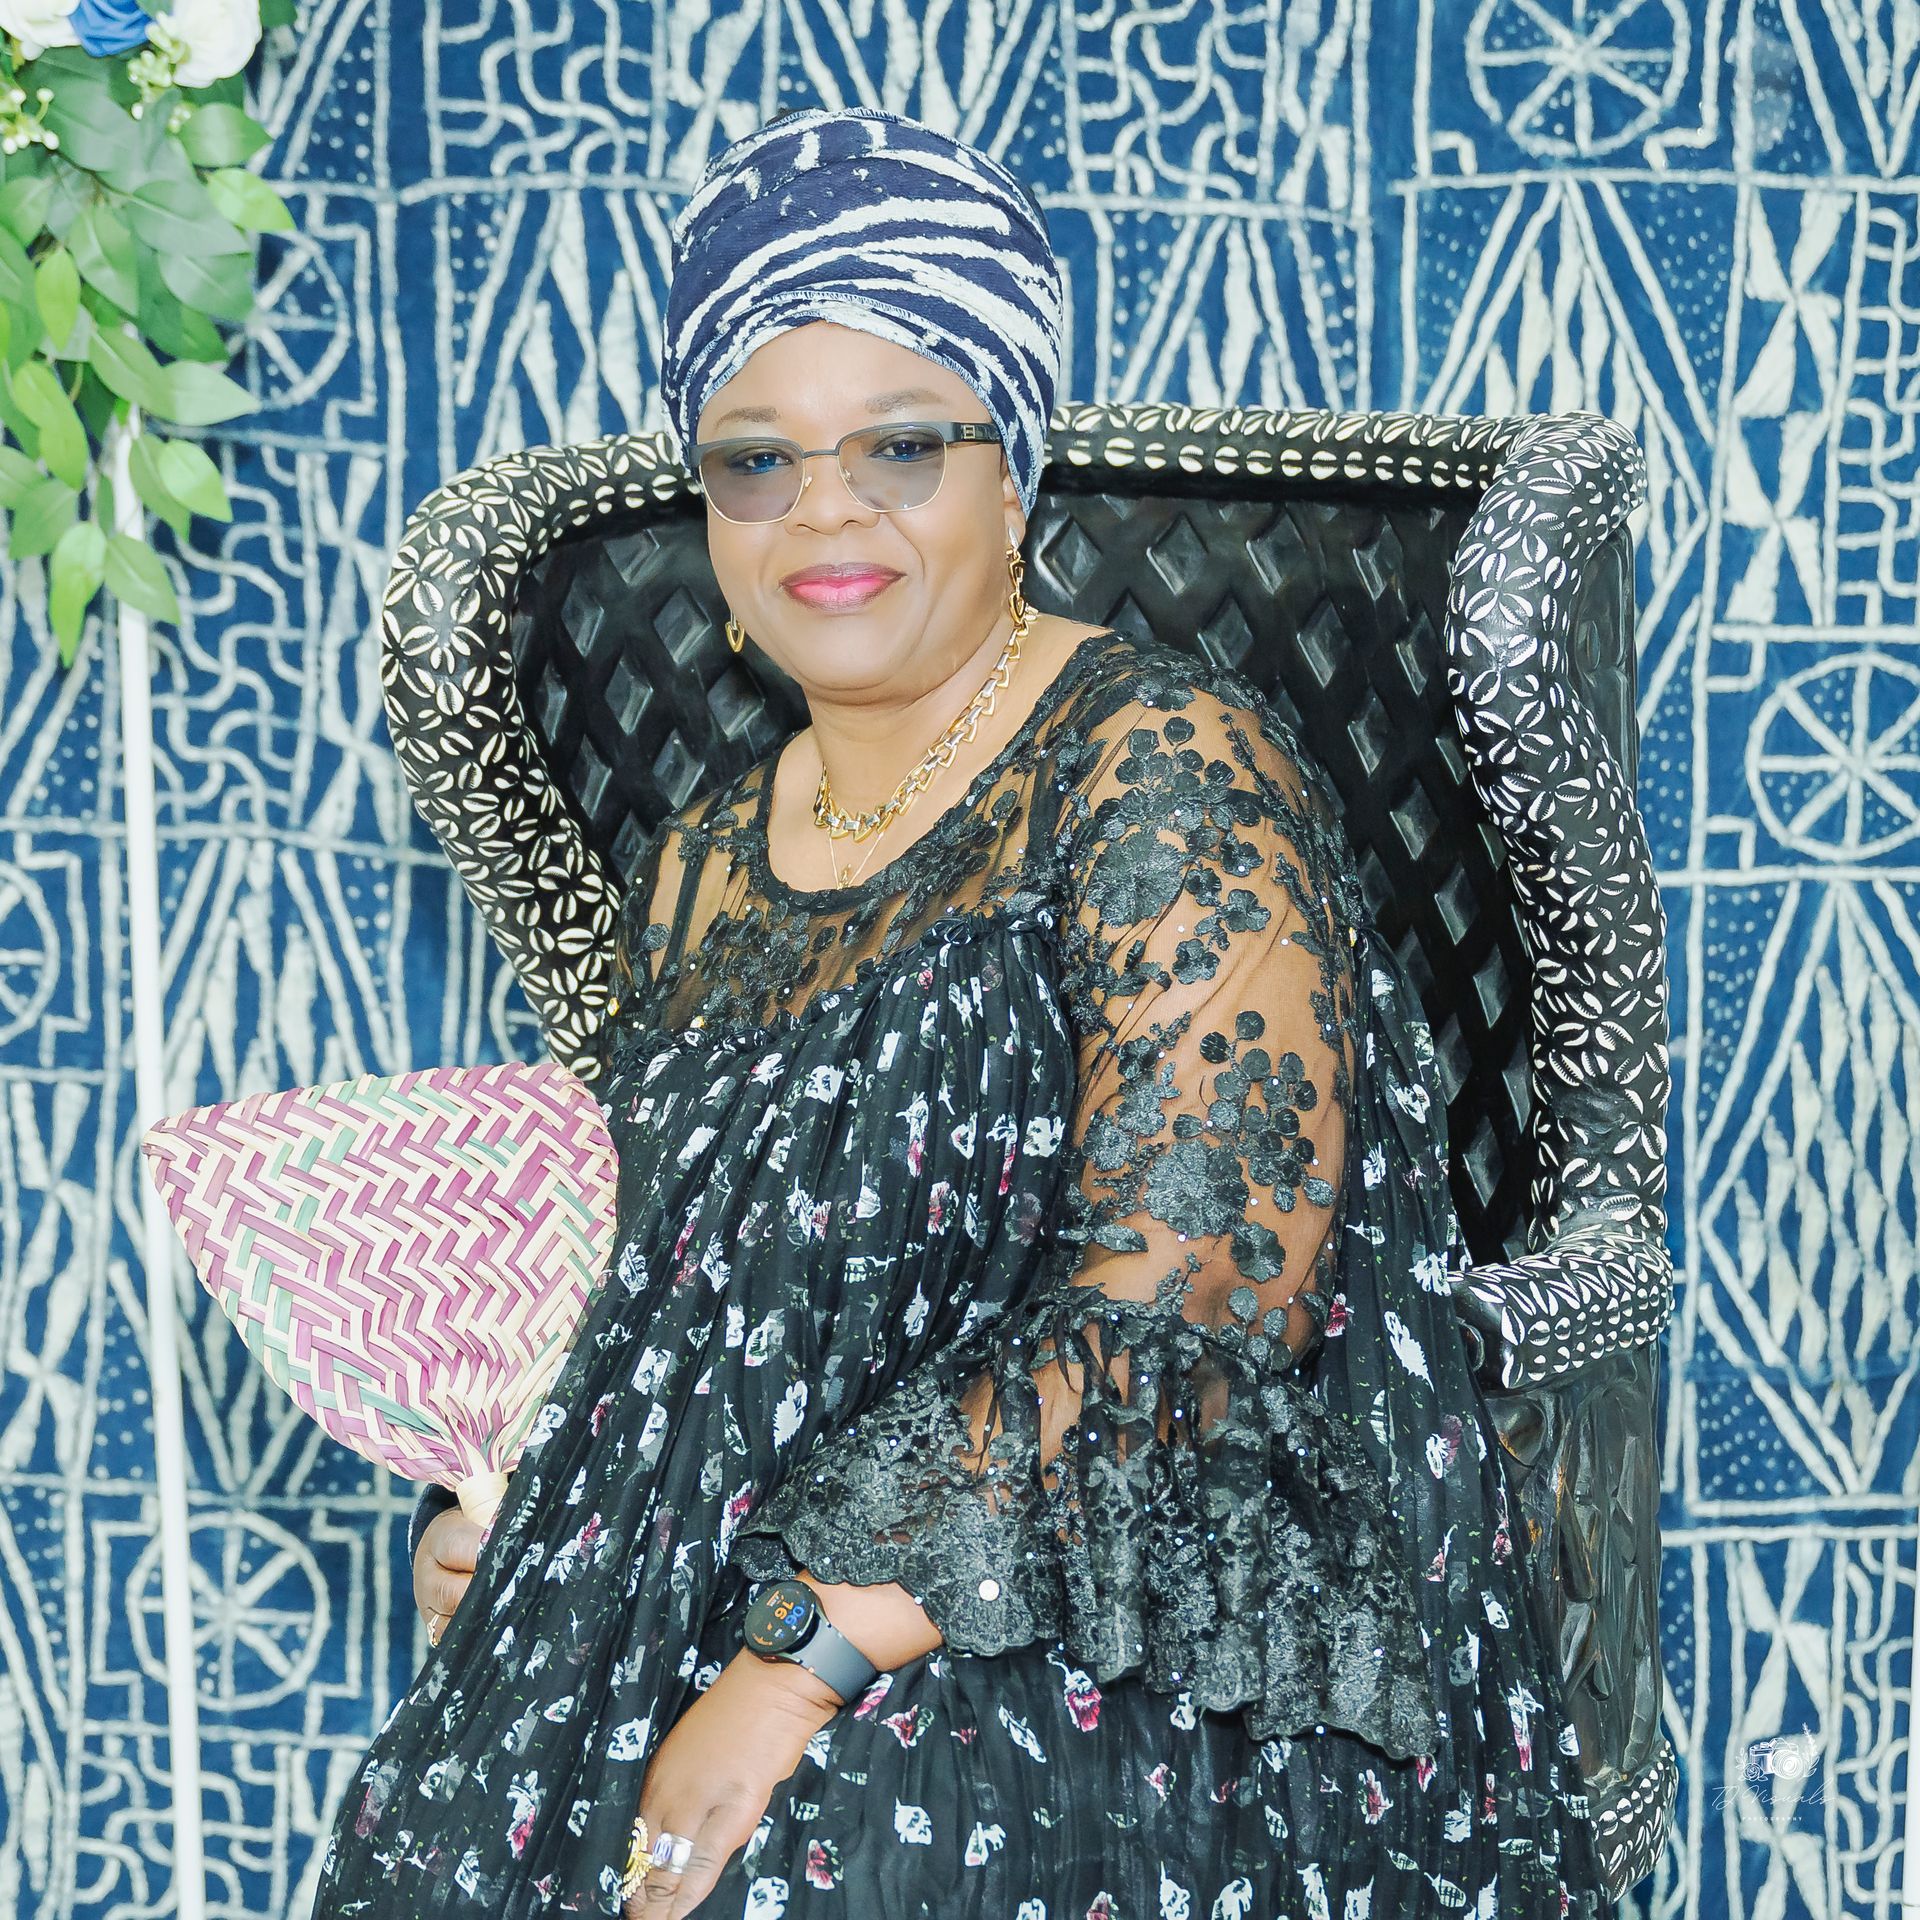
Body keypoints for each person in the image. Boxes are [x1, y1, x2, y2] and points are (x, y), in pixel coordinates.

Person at [315, 106, 1611, 1919]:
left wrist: (797, 1668)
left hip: (1116, 1590)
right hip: (747, 1571)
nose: (823, 511)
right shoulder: (702, 861)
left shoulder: (1165, 768)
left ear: (1018, 475)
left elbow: (1192, 1295)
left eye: (903, 445)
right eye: (756, 462)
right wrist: (529, 1520)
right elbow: (673, 1306)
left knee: (842, 1865)